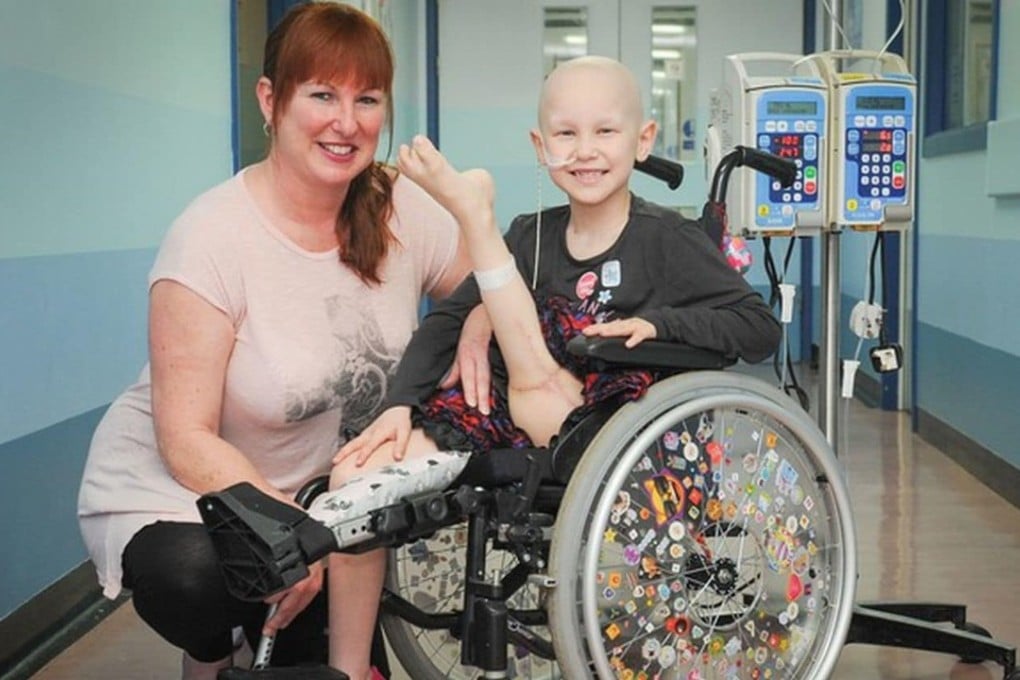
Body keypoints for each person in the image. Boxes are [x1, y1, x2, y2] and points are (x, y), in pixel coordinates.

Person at [325, 56, 781, 678]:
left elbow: (757, 328)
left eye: (605, 132)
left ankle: (471, 220)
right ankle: (374, 500)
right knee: (355, 474)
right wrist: (399, 406)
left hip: (616, 430)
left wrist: (661, 325)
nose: (584, 151)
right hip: (522, 424)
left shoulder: (665, 240)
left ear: (642, 140)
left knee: (545, 369)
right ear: (541, 147)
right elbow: (444, 322)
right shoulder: (532, 234)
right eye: (566, 135)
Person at [76, 4, 472, 679]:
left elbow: (486, 282)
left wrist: (486, 309)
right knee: (202, 580)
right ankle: (212, 649)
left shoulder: (397, 206)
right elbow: (186, 440)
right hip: (194, 486)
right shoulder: (209, 239)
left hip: (331, 495)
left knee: (318, 649)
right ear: (271, 100)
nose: (346, 122)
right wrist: (289, 534)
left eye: (366, 98)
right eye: (322, 94)